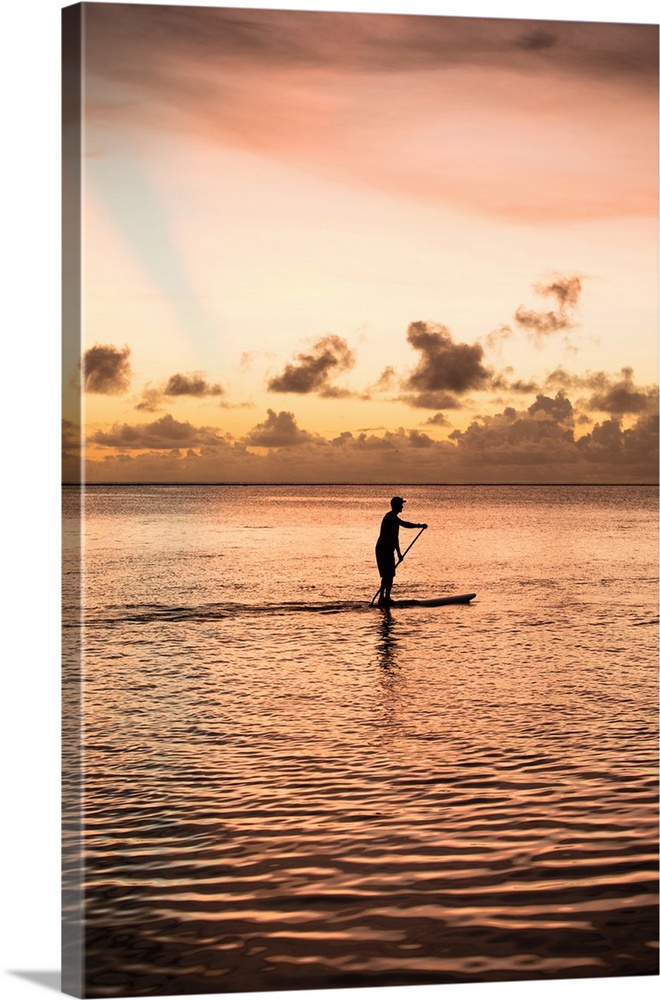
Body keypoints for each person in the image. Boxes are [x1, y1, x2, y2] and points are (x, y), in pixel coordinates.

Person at [375, 497, 427, 606]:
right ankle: (383, 598)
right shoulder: (391, 518)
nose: (402, 507)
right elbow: (405, 524)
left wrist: (398, 553)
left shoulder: (393, 518)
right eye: (401, 505)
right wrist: (419, 526)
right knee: (387, 575)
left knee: (389, 574)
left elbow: (395, 538)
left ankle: (385, 598)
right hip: (382, 550)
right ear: (396, 506)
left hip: (388, 550)